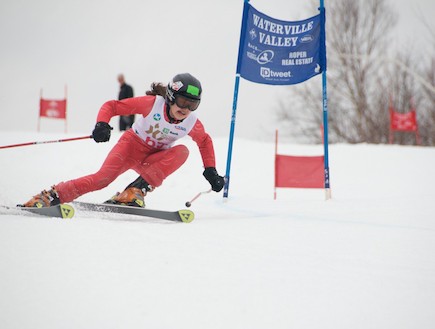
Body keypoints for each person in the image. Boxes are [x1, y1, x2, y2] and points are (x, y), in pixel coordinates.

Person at [22, 73, 225, 208]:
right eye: (182, 101)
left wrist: (211, 170)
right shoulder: (152, 104)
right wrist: (102, 124)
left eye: (193, 105)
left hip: (152, 159)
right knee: (102, 179)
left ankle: (133, 191)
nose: (186, 109)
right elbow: (112, 106)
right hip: (130, 147)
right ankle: (50, 196)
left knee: (182, 151)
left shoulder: (190, 122)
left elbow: (205, 141)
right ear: (171, 97)